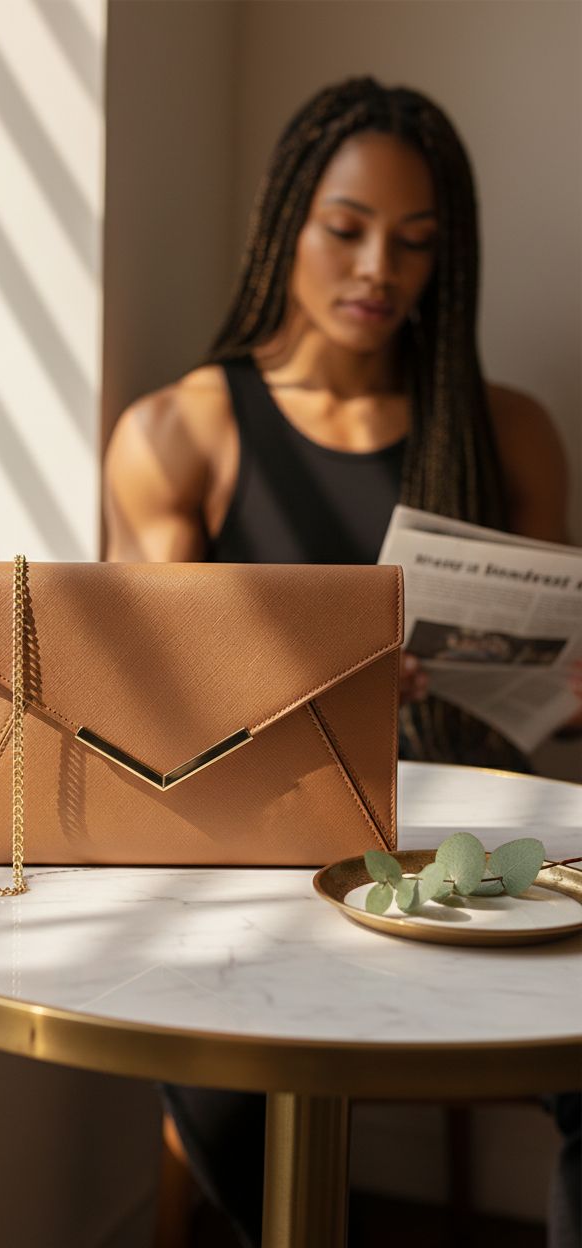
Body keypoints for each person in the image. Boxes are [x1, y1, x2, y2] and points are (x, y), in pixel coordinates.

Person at [102, 75, 581, 1248]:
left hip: (469, 855)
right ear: (286, 223)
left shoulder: (507, 428)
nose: (379, 269)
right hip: (263, 856)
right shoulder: (182, 431)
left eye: (415, 244)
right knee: (228, 1082)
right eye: (348, 229)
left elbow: (541, 704)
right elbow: (136, 711)